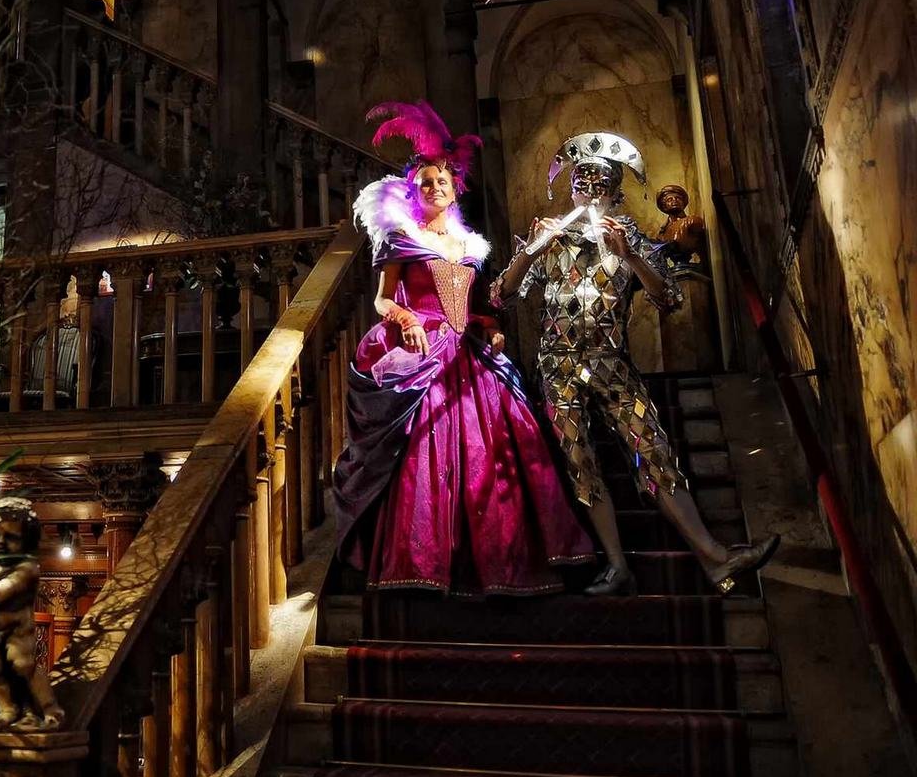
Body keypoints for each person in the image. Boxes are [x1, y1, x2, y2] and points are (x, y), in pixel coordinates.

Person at [489, 131, 779, 595]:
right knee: (579, 462)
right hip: (557, 367)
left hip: (613, 365)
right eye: (583, 180)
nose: (590, 188)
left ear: (615, 189)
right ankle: (617, 565)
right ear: (572, 187)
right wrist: (532, 250)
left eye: (600, 181)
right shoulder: (548, 238)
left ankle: (715, 558)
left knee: (655, 452)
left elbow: (670, 298)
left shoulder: (632, 240)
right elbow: (500, 295)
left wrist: (629, 258)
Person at [333, 101, 594, 596]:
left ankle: (503, 559)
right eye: (425, 182)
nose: (433, 187)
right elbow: (383, 298)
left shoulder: (471, 246)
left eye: (441, 181)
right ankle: (423, 560)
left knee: (497, 448)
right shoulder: (401, 239)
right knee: (425, 455)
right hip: (425, 351)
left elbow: (474, 307)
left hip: (469, 352)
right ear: (414, 191)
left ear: (456, 189)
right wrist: (405, 316)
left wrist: (489, 325)